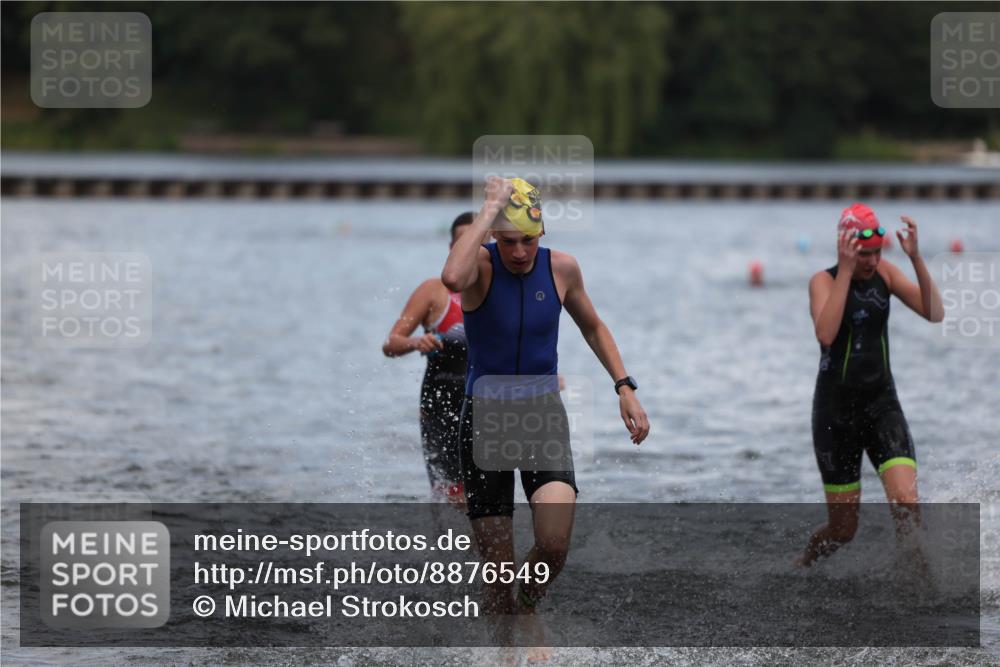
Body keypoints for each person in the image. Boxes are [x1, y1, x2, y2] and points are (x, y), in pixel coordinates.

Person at [441, 177, 650, 655]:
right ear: (493, 234)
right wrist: (491, 206)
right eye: (508, 241)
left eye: (527, 241)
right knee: (496, 572)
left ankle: (529, 604)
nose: (518, 252)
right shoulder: (479, 267)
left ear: (543, 231)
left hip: (542, 417)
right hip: (485, 421)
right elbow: (450, 279)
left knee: (553, 544)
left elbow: (594, 327)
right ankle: (505, 658)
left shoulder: (562, 269)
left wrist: (624, 386)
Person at [797, 203, 943, 567]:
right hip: (835, 416)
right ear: (845, 247)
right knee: (844, 530)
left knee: (907, 503)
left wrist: (916, 259)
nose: (872, 261)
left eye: (877, 252)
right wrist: (846, 272)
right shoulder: (823, 281)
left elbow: (935, 312)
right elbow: (826, 333)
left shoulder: (887, 275)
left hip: (882, 405)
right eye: (864, 254)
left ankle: (915, 581)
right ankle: (804, 563)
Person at [383, 212, 474, 504]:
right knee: (450, 495)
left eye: (478, 241)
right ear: (452, 249)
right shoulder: (433, 291)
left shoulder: (500, 290)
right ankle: (443, 547)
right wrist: (414, 342)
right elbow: (391, 343)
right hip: (440, 403)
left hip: (487, 401)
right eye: (464, 242)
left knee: (487, 495)